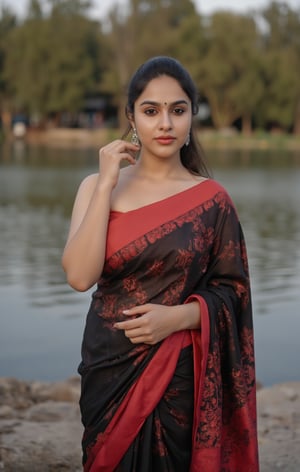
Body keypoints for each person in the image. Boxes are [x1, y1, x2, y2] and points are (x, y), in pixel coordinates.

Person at [62, 56, 259, 471]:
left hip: (179, 374)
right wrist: (106, 186)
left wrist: (179, 318)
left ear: (192, 116)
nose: (165, 123)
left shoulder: (212, 200)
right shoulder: (95, 188)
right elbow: (80, 277)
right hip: (108, 365)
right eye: (151, 111)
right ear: (131, 116)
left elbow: (234, 293)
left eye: (178, 110)